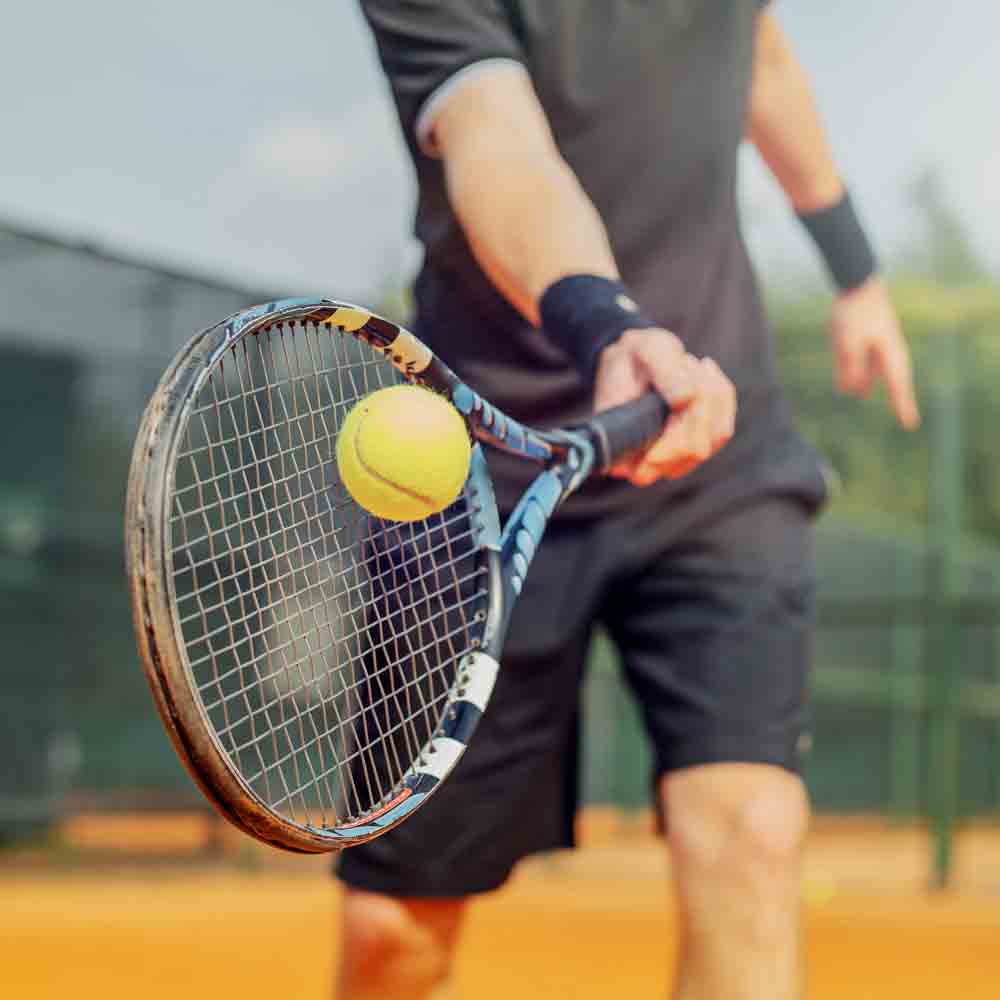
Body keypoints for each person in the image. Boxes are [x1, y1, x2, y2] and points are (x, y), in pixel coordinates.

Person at [338, 3, 919, 998]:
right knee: (398, 927)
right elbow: (498, 141)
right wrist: (602, 322)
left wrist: (855, 271)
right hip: (477, 460)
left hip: (709, 432)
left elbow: (762, 58)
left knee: (751, 834)